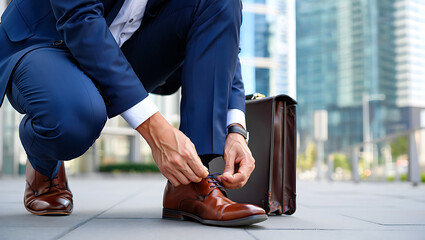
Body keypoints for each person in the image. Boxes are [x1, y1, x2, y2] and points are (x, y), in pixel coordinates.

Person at [0, 0, 268, 226]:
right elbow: (78, 17)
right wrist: (155, 130)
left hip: (124, 45)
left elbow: (220, 33)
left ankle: (189, 183)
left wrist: (234, 129)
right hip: (45, 38)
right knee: (71, 120)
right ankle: (43, 159)